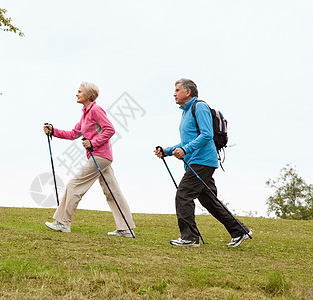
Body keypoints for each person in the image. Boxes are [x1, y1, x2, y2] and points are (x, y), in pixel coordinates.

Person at [154, 78, 252, 247]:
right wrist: (167, 151)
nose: (174, 93)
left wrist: (185, 150)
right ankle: (239, 231)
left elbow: (206, 135)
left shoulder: (199, 107)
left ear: (188, 92)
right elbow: (187, 141)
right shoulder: (185, 112)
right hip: (195, 161)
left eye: (177, 90)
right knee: (209, 201)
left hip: (203, 160)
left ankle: (189, 238)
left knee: (183, 195)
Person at [43, 82, 136, 237]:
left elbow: (110, 130)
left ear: (88, 95)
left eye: (79, 91)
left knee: (74, 185)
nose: (76, 94)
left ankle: (63, 223)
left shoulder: (96, 110)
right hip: (101, 157)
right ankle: (126, 228)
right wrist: (54, 131)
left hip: (100, 156)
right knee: (112, 191)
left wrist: (93, 143)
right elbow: (73, 134)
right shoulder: (85, 113)